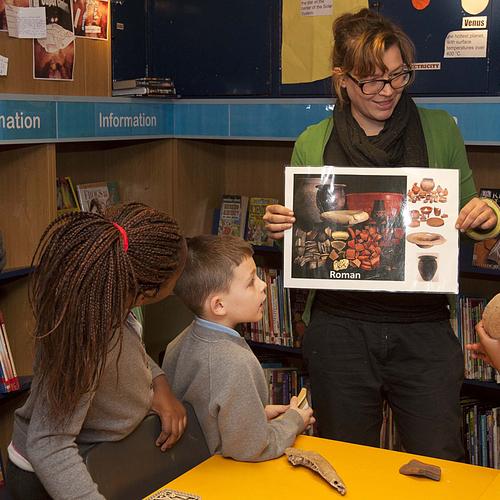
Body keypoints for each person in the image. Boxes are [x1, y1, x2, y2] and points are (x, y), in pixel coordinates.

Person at [263, 8, 500, 461]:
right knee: (345, 462)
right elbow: (304, 241)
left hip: (423, 329)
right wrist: (282, 229)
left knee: (440, 460)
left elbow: (469, 216)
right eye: (372, 80)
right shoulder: (314, 140)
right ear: (343, 79)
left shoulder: (440, 129)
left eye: (397, 76)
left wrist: (487, 213)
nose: (387, 91)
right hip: (340, 330)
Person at [7, 202, 187, 500]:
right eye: (178, 276)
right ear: (149, 290)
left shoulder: (112, 299)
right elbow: (50, 444)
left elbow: (131, 348)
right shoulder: (86, 338)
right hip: (51, 481)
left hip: (100, 459)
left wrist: (159, 383)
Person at [162, 234, 315, 461]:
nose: (263, 286)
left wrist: (256, 415)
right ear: (219, 305)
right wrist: (293, 421)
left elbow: (208, 416)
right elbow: (252, 449)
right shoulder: (236, 361)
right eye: (251, 281)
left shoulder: (177, 343)